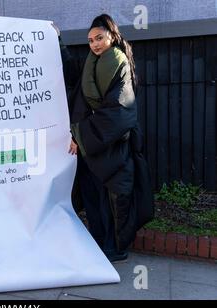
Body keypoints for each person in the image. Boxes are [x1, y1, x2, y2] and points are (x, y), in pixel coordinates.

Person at [68, 14, 153, 262]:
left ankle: (114, 248)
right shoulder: (92, 62)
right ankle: (100, 244)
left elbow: (119, 109)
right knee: (95, 197)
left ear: (112, 36)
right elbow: (76, 85)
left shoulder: (118, 63)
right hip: (94, 146)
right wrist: (58, 41)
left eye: (99, 38)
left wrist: (81, 136)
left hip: (112, 145)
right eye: (90, 40)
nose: (94, 44)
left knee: (113, 200)